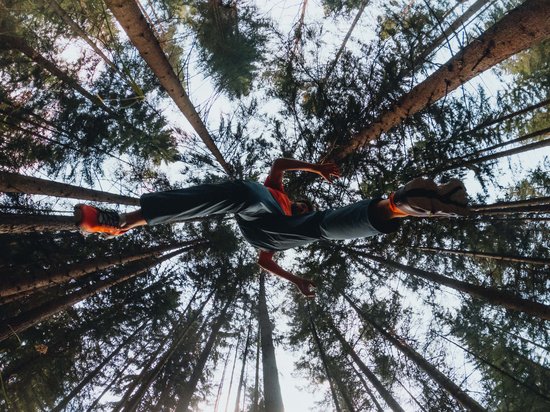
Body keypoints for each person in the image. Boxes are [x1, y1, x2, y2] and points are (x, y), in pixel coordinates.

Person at [74, 158, 468, 298]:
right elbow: (279, 164)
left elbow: (265, 262)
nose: (303, 202)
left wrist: (293, 279)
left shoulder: (295, 216)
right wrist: (315, 167)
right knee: (245, 193)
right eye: (304, 200)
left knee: (319, 228)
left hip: (271, 233)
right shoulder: (277, 192)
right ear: (296, 198)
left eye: (303, 204)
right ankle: (122, 223)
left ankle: (398, 205)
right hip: (255, 210)